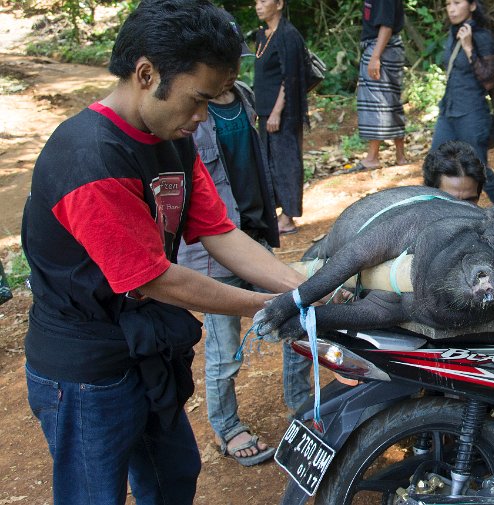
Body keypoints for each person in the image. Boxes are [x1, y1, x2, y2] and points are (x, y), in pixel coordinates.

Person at [21, 1, 307, 502]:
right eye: (198, 100)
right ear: (147, 74)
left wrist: (302, 288)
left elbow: (219, 232)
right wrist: (269, 307)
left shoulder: (175, 140)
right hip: (86, 370)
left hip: (148, 350)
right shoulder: (91, 158)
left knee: (172, 479)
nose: (202, 119)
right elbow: (153, 277)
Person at [177, 54, 310, 464]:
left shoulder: (246, 98)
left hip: (252, 236)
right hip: (214, 250)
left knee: (295, 319)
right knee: (224, 349)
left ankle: (301, 406)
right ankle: (227, 427)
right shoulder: (189, 117)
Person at [430, 0, 494, 204]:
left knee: (479, 170)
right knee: (435, 166)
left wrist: (468, 47)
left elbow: (489, 81)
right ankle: (432, 218)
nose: (452, 8)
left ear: (472, 6)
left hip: (472, 113)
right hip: (448, 111)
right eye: (448, 4)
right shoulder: (452, 34)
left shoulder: (481, 37)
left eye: (457, 3)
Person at [254, 0, 309, 235]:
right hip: (265, 111)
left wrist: (277, 111)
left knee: (286, 162)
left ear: (279, 4)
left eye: (264, 1)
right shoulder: (262, 35)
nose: (258, 6)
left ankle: (288, 217)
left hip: (283, 114)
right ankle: (278, 212)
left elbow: (291, 78)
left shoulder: (288, 35)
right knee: (269, 163)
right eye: (256, 2)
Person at [355, 0, 408, 170]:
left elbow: (386, 26)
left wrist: (375, 57)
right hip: (386, 48)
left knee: (375, 101)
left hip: (381, 48)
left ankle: (372, 157)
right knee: (391, 101)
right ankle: (400, 156)